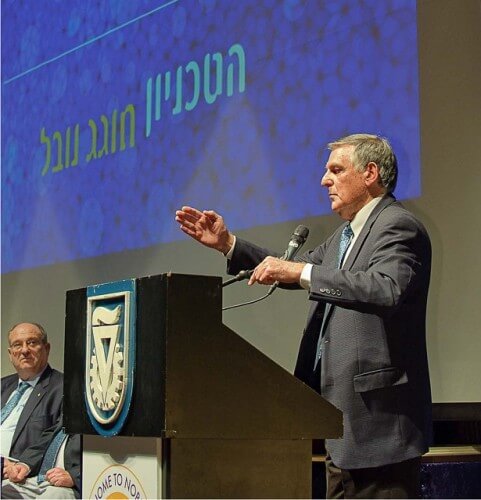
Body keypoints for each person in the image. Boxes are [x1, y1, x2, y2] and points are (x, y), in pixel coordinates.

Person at [175, 133, 432, 498]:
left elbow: (385, 288)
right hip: (341, 426)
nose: (324, 180)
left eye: (336, 170)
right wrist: (228, 244)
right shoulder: (346, 237)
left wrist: (299, 273)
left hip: (379, 429)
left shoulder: (397, 225)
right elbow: (293, 267)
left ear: (370, 172)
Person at [1, 323, 63, 460]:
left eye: (32, 343)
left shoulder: (62, 388)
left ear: (46, 348)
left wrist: (24, 464)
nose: (24, 350)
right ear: (11, 354)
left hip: (19, 473)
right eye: (17, 345)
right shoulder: (2, 386)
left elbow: (56, 438)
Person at [2, 418, 81, 499]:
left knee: (53, 494)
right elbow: (48, 437)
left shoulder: (92, 411)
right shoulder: (72, 410)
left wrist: (73, 476)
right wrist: (25, 464)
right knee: (4, 489)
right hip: (40, 478)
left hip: (73, 485)